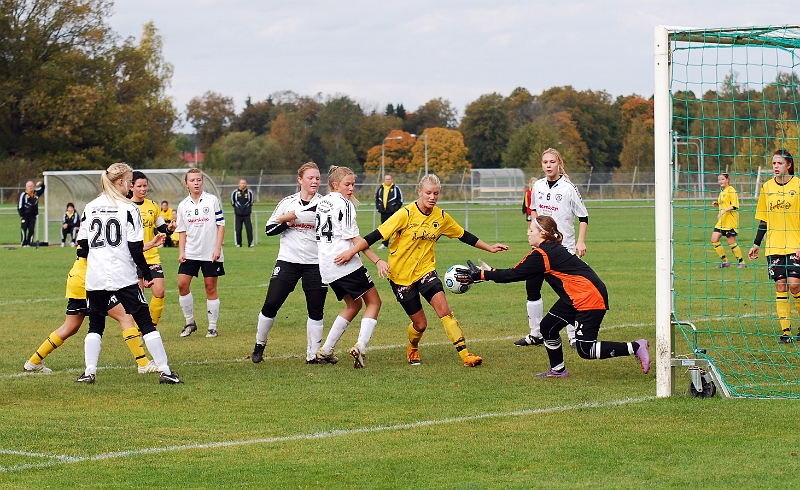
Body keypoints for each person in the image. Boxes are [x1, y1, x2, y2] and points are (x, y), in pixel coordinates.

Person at [338, 173, 508, 367]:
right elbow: (375, 235)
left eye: (436, 193)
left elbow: (464, 235)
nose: (432, 197)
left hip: (426, 271)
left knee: (445, 310)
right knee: (421, 325)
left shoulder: (441, 217)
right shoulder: (405, 214)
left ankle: (466, 355)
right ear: (419, 192)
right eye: (428, 193)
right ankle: (413, 346)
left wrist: (490, 247)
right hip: (401, 277)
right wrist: (352, 252)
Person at [455, 215, 651, 378]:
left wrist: (481, 274)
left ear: (542, 233)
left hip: (588, 298)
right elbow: (516, 272)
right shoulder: (545, 251)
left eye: (531, 229)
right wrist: (488, 273)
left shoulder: (542, 254)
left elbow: (513, 274)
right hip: (575, 298)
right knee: (548, 327)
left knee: (585, 350)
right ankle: (558, 370)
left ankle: (635, 346)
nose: (527, 232)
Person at [74, 162, 181, 384]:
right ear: (121, 182)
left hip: (95, 276)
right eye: (131, 182)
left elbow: (82, 244)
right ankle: (165, 371)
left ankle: (89, 372)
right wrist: (146, 273)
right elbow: (134, 247)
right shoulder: (129, 208)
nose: (132, 186)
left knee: (95, 324)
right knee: (144, 321)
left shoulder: (90, 206)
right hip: (123, 274)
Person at [24, 242, 162, 374]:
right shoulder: (96, 224)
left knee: (70, 327)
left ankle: (34, 361)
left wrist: (149, 245)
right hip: (91, 281)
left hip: (78, 279)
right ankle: (143, 363)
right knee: (125, 317)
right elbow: (89, 251)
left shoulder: (92, 224)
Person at [250, 162, 329, 365]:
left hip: (315, 263)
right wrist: (287, 223)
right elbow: (269, 229)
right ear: (300, 180)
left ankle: (312, 355)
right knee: (271, 304)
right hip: (288, 261)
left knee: (316, 310)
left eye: (318, 178)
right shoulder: (288, 202)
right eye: (310, 177)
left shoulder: (325, 204)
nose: (314, 181)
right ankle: (260, 343)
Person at [311, 166, 387, 368]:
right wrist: (377, 260)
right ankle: (360, 346)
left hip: (327, 266)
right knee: (374, 302)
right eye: (347, 184)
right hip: (343, 262)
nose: (351, 188)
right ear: (335, 185)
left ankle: (326, 350)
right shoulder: (344, 204)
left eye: (353, 184)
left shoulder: (321, 202)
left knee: (354, 305)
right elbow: (355, 239)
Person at [515, 148, 588, 349]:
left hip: (564, 249)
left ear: (559, 164)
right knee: (532, 286)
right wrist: (533, 232)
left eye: (552, 162)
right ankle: (536, 333)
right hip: (542, 248)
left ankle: (573, 335)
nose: (548, 165)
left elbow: (583, 217)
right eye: (545, 162)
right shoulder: (537, 186)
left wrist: (580, 242)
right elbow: (535, 212)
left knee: (568, 291)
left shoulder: (568, 188)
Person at [749, 150, 800, 344]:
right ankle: (786, 332)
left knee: (795, 286)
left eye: (779, 163)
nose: (775, 166)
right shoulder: (767, 187)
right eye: (773, 163)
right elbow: (764, 219)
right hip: (774, 246)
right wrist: (756, 243)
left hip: (795, 244)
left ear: (788, 165)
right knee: (781, 286)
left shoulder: (798, 184)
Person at [176, 168, 226, 338]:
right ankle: (190, 322)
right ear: (186, 183)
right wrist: (181, 251)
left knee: (210, 287)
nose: (196, 183)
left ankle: (212, 326)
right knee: (182, 284)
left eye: (198, 180)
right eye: (192, 180)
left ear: (202, 181)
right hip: (190, 252)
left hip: (210, 252)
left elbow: (221, 225)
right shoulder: (183, 205)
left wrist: (217, 248)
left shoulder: (212, 201)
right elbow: (181, 231)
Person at [131, 171, 177, 327]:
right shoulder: (125, 207)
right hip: (133, 258)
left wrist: (169, 228)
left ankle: (150, 328)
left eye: (145, 186)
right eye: (139, 186)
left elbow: (162, 227)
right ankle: (138, 330)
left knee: (159, 292)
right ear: (131, 186)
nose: (143, 189)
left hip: (152, 256)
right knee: (138, 297)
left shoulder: (152, 205)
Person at [711, 173, 746, 269]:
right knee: (714, 240)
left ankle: (742, 262)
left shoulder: (732, 191)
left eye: (722, 179)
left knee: (731, 243)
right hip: (721, 221)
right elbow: (724, 203)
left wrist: (723, 211)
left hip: (730, 221)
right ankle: (725, 261)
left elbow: (734, 206)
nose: (720, 181)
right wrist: (717, 203)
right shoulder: (722, 192)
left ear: (727, 180)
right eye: (719, 179)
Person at [374, 173, 403, 249]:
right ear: (384, 180)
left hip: (393, 212)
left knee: (395, 227)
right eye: (387, 179)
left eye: (389, 179)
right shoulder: (381, 188)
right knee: (384, 228)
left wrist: (396, 208)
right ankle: (384, 244)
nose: (388, 181)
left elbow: (400, 199)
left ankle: (397, 243)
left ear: (392, 180)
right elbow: (377, 199)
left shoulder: (396, 188)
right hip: (383, 212)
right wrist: (378, 208)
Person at [18, 180, 44, 247]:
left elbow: (43, 188)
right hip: (25, 215)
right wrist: (21, 215)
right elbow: (20, 205)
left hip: (33, 215)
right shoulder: (24, 194)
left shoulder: (35, 193)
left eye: (31, 186)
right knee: (24, 228)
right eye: (29, 186)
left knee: (31, 229)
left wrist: (41, 183)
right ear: (26, 187)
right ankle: (23, 242)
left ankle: (29, 242)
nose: (30, 187)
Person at [232, 178, 254, 248]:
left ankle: (250, 243)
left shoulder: (249, 192)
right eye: (241, 183)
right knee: (238, 229)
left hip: (247, 215)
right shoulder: (235, 192)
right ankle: (238, 243)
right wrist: (238, 209)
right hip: (238, 215)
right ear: (239, 184)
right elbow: (233, 202)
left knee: (249, 229)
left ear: (246, 184)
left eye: (244, 183)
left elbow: (251, 202)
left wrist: (246, 209)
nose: (243, 184)